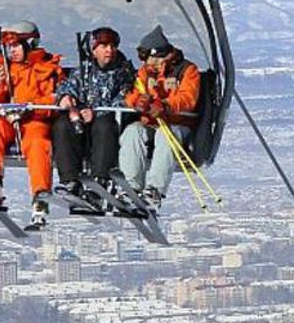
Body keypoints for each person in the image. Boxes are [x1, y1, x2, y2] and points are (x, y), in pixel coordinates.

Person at [0, 21, 64, 227]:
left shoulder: (48, 69)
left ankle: (40, 194)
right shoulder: (6, 69)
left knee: (38, 142)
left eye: (16, 46)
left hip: (35, 120)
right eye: (9, 47)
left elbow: (55, 98)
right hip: (10, 121)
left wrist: (31, 107)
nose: (12, 51)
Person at [117, 25, 201, 210]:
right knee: (132, 132)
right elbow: (131, 93)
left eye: (148, 57)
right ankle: (131, 186)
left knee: (165, 136)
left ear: (159, 55)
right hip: (151, 122)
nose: (146, 62)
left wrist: (166, 106)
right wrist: (138, 101)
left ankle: (155, 189)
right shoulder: (144, 73)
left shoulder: (187, 70)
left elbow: (188, 98)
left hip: (177, 123)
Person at [53, 26, 135, 200]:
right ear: (93, 49)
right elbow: (67, 87)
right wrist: (65, 98)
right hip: (83, 123)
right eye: (103, 46)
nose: (109, 51)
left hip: (107, 125)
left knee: (104, 125)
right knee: (62, 125)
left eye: (112, 46)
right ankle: (70, 180)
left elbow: (124, 99)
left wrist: (95, 112)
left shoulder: (123, 73)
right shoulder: (83, 71)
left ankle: (100, 179)